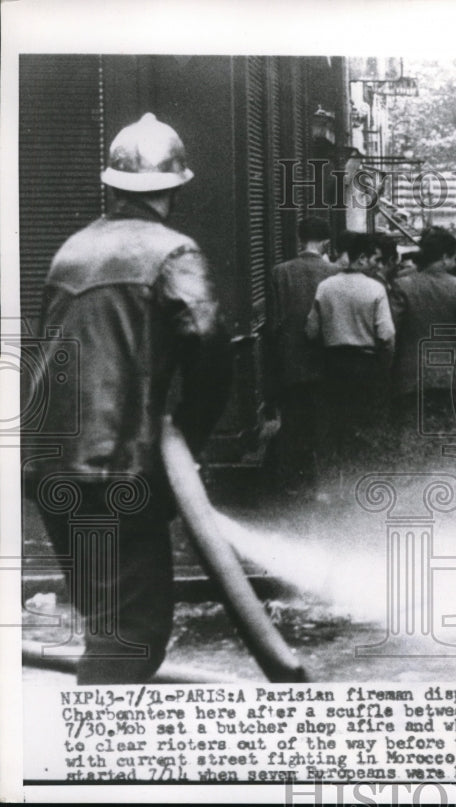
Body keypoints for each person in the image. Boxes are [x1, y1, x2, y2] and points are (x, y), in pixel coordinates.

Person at [26, 113, 231, 684]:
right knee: (133, 639)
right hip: (119, 472)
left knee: (107, 626)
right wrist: (186, 446)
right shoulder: (173, 252)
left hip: (52, 470)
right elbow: (211, 353)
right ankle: (94, 763)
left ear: (113, 185)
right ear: (174, 188)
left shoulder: (72, 250)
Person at [305, 232, 395, 466]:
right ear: (362, 258)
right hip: (366, 365)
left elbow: (311, 331)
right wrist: (384, 366)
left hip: (332, 364)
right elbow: (387, 335)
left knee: (335, 428)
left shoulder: (325, 287)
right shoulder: (376, 289)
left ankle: (336, 484)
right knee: (366, 426)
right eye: (373, 259)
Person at [267, 216, 336, 495]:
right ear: (326, 242)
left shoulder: (279, 272)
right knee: (323, 423)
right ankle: (322, 485)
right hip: (325, 358)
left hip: (290, 359)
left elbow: (272, 323)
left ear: (299, 239)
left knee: (292, 423)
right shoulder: (334, 273)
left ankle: (292, 485)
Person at [389, 227, 456, 433]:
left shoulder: (402, 286)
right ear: (445, 257)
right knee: (449, 441)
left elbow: (391, 332)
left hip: (411, 378)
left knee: (413, 443)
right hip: (455, 378)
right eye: (454, 257)